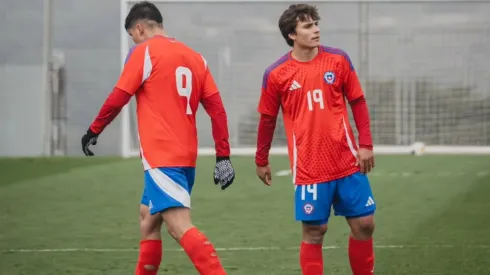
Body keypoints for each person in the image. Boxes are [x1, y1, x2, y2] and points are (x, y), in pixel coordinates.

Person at [81, 2, 235, 274]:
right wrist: (223, 156)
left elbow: (119, 96)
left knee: (179, 226)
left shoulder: (143, 52)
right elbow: (217, 110)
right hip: (185, 158)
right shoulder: (196, 57)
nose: (133, 40)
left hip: (162, 157)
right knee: (148, 219)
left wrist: (95, 129)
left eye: (132, 35)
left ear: (139, 28)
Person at [255, 4, 376, 275]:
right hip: (310, 166)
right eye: (308, 26)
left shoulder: (338, 59)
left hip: (347, 159)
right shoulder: (276, 73)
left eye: (316, 24)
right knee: (314, 231)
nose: (317, 30)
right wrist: (261, 159)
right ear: (291, 35)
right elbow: (267, 119)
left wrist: (365, 144)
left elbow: (357, 101)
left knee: (365, 225)